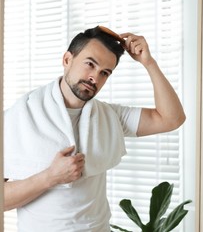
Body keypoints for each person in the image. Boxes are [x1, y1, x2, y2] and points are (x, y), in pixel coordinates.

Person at [4, 26, 186, 231]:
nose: (95, 78)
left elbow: (172, 118)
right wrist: (51, 177)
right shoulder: (16, 117)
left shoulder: (110, 116)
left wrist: (149, 63)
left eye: (105, 73)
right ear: (67, 60)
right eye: (90, 64)